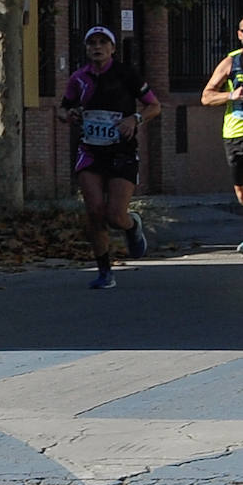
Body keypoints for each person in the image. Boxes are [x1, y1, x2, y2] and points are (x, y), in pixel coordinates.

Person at [57, 26, 161, 288]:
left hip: (122, 152)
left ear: (112, 48)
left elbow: (154, 105)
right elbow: (63, 110)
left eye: (103, 42)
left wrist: (134, 119)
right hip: (90, 152)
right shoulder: (79, 78)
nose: (97, 47)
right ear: (86, 48)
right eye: (92, 42)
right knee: (94, 211)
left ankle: (131, 226)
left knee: (115, 215)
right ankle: (105, 271)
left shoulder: (127, 75)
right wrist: (69, 116)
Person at [199, 16, 243, 250]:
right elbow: (206, 97)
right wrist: (231, 96)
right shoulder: (231, 62)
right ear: (239, 35)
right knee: (240, 190)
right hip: (236, 133)